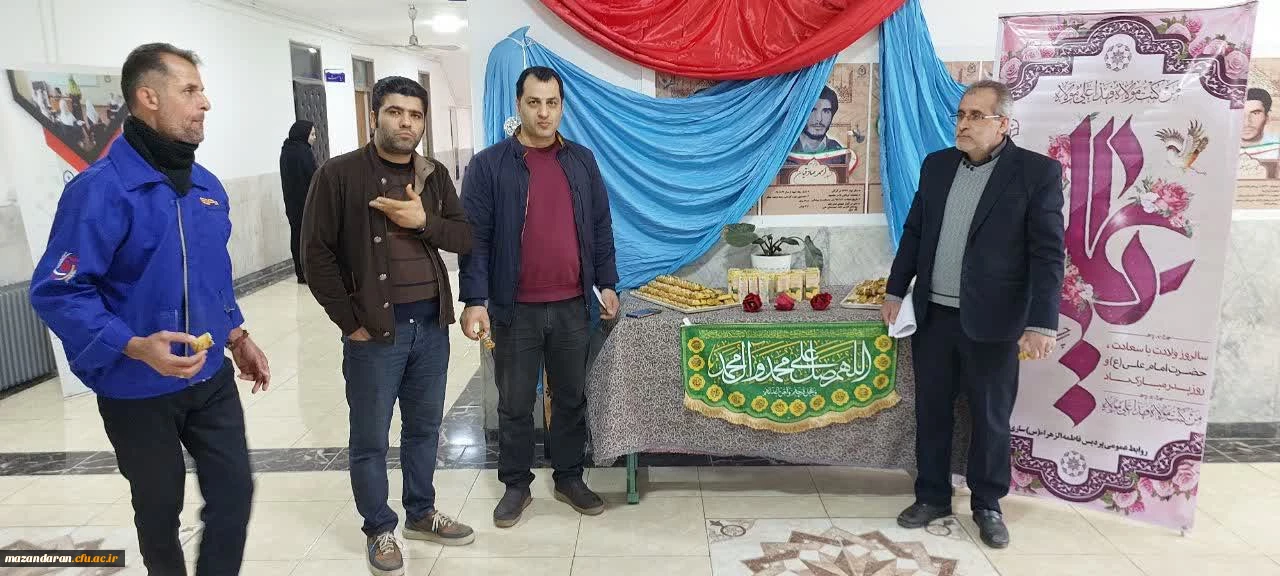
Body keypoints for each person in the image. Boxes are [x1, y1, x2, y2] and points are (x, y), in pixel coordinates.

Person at [29, 42, 270, 575]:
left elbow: (211, 275)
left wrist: (236, 335)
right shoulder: (100, 191)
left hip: (208, 376)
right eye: (190, 90)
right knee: (159, 509)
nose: (205, 102)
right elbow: (58, 290)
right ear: (148, 97)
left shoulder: (206, 187)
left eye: (202, 90)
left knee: (234, 493)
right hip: (134, 386)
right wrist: (134, 345)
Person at [302, 75, 475, 576]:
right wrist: (349, 322)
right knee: (371, 437)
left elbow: (463, 237)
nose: (406, 123)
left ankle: (421, 513)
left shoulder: (432, 175)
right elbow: (315, 255)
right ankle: (379, 528)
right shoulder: (338, 174)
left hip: (430, 326)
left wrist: (423, 222)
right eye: (395, 112)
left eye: (415, 115)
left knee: (424, 429)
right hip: (375, 332)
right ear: (374, 115)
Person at [882, 80, 1064, 549]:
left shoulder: (1035, 173)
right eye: (961, 114)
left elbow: (1048, 254)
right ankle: (932, 496)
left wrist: (1042, 322)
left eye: (975, 116)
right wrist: (895, 289)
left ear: (1004, 124)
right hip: (934, 317)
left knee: (990, 417)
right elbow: (914, 231)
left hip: (995, 321)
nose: (963, 124)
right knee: (932, 412)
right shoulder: (937, 165)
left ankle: (987, 504)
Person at [459, 66, 621, 528]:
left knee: (570, 397)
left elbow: (600, 227)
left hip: (573, 306)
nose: (544, 113)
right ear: (519, 104)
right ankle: (516, 484)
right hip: (514, 310)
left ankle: (569, 477)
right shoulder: (490, 165)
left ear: (562, 106)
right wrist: (474, 299)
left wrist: (608, 282)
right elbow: (475, 239)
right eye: (534, 102)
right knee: (514, 402)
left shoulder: (582, 161)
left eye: (552, 103)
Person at [280, 120, 318, 283]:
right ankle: (310, 272)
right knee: (309, 239)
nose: (314, 138)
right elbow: (314, 177)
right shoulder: (304, 152)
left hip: (292, 203)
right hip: (306, 204)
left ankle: (300, 273)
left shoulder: (286, 150)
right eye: (312, 134)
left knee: (296, 236)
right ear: (303, 134)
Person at [786, 86, 848, 165]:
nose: (819, 119)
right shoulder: (786, 149)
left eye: (826, 111)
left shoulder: (838, 153)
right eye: (812, 110)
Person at [1240, 88, 1280, 179]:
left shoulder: (1277, 149)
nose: (1247, 122)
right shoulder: (1220, 149)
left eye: (1255, 113)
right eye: (1240, 113)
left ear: (1267, 117)